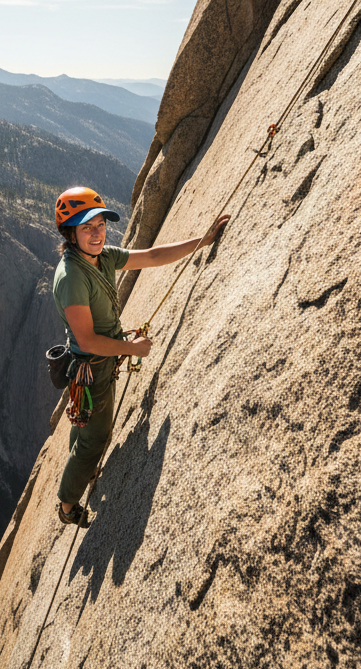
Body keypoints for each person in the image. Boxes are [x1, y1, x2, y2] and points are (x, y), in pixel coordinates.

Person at [51, 186, 229, 526]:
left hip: (97, 364)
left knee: (85, 426)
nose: (97, 232)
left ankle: (81, 468)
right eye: (86, 227)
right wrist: (131, 349)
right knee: (95, 439)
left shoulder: (100, 257)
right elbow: (87, 340)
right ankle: (67, 505)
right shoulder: (72, 277)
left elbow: (148, 257)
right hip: (94, 365)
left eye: (100, 224)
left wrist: (200, 241)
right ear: (70, 233)